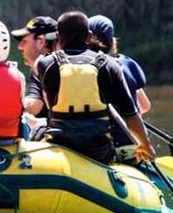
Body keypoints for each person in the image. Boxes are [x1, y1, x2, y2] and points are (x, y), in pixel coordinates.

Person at [26, 11, 156, 164]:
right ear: (88, 36)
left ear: (59, 37)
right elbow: (131, 113)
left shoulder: (45, 64)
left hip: (60, 144)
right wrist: (145, 145)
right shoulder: (109, 65)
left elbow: (51, 107)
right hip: (99, 150)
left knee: (36, 129)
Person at [88, 15, 151, 115]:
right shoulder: (125, 64)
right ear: (112, 41)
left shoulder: (84, 69)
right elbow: (145, 106)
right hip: (128, 127)